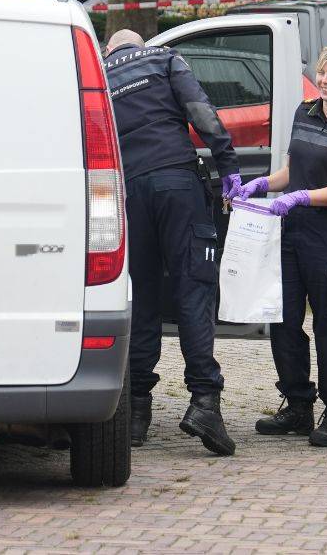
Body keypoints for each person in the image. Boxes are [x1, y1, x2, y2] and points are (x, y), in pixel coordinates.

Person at [103, 28, 242, 456]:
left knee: (141, 296)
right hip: (177, 185)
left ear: (110, 49)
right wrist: (228, 165)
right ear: (139, 45)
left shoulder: (98, 73)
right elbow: (201, 112)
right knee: (193, 290)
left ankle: (135, 413)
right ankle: (204, 402)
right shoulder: (163, 58)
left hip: (127, 192)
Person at [235, 44, 327, 447]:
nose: (325, 81)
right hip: (293, 232)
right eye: (322, 73)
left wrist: (300, 196)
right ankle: (298, 404)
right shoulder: (305, 111)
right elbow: (292, 170)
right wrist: (262, 184)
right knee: (283, 320)